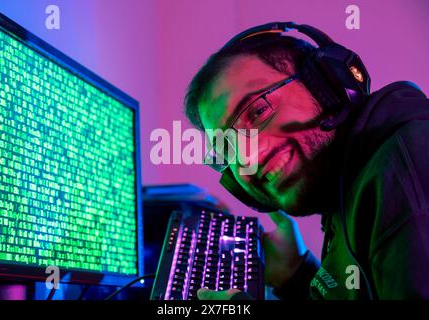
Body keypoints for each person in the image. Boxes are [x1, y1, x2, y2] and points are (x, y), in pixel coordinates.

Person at [184, 22, 429, 299]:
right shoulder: (349, 190)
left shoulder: (410, 169)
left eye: (258, 111)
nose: (248, 158)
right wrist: (298, 274)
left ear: (326, 83)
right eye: (227, 147)